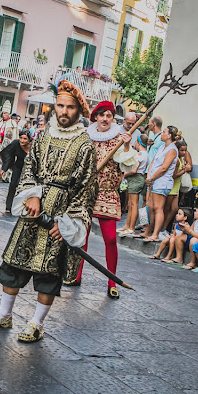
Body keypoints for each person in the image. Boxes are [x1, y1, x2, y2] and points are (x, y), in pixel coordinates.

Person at [0, 79, 97, 343]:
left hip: (59, 215)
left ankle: (36, 323)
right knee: (14, 264)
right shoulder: (44, 136)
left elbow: (86, 190)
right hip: (33, 211)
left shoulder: (85, 145)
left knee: (48, 272)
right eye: (59, 105)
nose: (63, 111)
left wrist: (69, 223)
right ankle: (3, 315)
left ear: (78, 111)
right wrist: (32, 195)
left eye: (69, 107)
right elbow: (29, 167)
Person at [71, 101, 137, 299]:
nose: (105, 119)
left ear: (112, 118)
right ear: (96, 118)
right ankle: (76, 274)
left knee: (110, 239)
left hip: (108, 193)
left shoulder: (119, 138)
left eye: (109, 116)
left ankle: (112, 281)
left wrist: (126, 145)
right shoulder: (85, 137)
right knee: (82, 237)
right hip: (87, 193)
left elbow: (127, 167)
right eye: (102, 115)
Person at [138, 126, 180, 242]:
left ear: (169, 135)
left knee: (158, 208)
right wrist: (149, 176)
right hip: (153, 180)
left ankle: (155, 233)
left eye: (164, 132)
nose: (162, 134)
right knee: (149, 206)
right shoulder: (162, 147)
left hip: (162, 182)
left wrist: (152, 178)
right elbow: (153, 162)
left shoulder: (172, 150)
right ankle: (147, 230)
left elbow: (164, 167)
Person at [160, 138, 192, 239]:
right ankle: (161, 229)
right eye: (182, 150)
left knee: (174, 209)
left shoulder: (182, 159)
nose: (184, 152)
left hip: (176, 188)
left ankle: (164, 228)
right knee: (167, 209)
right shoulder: (176, 160)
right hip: (171, 187)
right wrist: (184, 171)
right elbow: (173, 175)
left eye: (185, 150)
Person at [118, 135, 149, 236]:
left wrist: (125, 174)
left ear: (138, 142)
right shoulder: (146, 154)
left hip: (136, 179)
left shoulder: (140, 155)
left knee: (134, 204)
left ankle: (131, 227)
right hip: (141, 178)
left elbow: (134, 169)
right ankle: (128, 225)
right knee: (133, 203)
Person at [0, 130, 32, 215]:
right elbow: (9, 156)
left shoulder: (34, 146)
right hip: (18, 165)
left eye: (25, 139)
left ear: (29, 140)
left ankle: (24, 206)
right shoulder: (15, 144)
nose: (22, 140)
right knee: (13, 184)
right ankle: (8, 206)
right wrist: (4, 169)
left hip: (30, 168)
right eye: (21, 138)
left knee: (26, 187)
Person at [0, 103, 18, 182]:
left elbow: (13, 135)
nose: (3, 115)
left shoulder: (13, 124)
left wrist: (2, 134)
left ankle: (2, 176)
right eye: (2, 113)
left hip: (5, 145)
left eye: (5, 113)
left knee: (3, 159)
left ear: (8, 114)